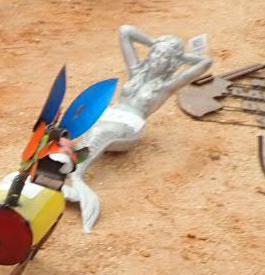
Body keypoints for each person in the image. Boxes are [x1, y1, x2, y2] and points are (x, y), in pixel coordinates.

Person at [63, 25, 212, 231]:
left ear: (172, 63)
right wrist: (154, 42)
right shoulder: (135, 72)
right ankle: (63, 167)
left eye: (164, 57)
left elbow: (206, 62)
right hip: (110, 115)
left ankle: (75, 175)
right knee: (84, 124)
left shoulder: (167, 86)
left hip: (130, 126)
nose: (157, 58)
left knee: (100, 132)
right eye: (156, 53)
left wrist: (181, 57)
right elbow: (125, 31)